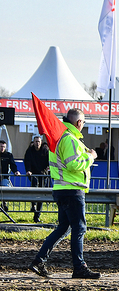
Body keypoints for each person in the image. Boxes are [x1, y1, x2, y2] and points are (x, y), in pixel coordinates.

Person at [29, 108, 100, 279]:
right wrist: (90, 157)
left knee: (63, 228)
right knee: (79, 228)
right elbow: (74, 165)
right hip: (72, 190)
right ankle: (79, 267)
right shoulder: (70, 139)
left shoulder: (60, 138)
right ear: (79, 123)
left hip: (62, 189)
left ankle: (39, 261)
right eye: (83, 122)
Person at [23, 134, 50, 222]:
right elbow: (27, 161)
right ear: (33, 142)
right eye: (36, 141)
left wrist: (49, 167)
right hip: (33, 173)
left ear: (41, 142)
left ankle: (37, 216)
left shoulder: (45, 150)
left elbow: (49, 160)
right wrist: (28, 170)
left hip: (43, 174)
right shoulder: (29, 151)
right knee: (34, 184)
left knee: (41, 195)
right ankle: (33, 204)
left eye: (39, 141)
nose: (37, 143)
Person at [0, 139, 20, 211]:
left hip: (4, 177)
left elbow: (12, 165)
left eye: (4, 147)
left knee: (4, 189)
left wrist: (15, 171)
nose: (2, 148)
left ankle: (4, 204)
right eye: (1, 146)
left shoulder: (8, 155)